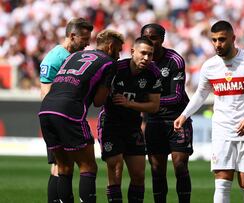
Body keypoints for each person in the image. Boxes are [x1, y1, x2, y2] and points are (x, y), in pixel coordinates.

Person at [174, 20, 244, 203]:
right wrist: (184, 114)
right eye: (214, 40)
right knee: (222, 180)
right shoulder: (210, 66)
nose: (218, 44)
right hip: (222, 128)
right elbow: (200, 94)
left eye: (222, 39)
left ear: (233, 38)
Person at [39, 29, 124, 203]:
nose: (119, 54)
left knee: (63, 167)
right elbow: (99, 101)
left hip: (46, 109)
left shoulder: (73, 56)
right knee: (88, 167)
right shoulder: (109, 62)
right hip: (69, 111)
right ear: (110, 46)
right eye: (118, 50)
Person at [98, 36, 161, 203]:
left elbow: (154, 106)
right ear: (133, 52)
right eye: (143, 53)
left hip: (133, 126)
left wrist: (129, 103)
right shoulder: (116, 68)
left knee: (139, 175)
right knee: (116, 168)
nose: (147, 58)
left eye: (150, 54)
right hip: (110, 124)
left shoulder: (153, 73)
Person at [39, 17, 93, 203]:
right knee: (59, 166)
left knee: (62, 165)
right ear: (72, 36)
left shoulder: (74, 56)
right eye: (84, 39)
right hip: (59, 117)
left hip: (65, 115)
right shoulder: (54, 58)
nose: (87, 44)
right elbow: (46, 92)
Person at [141, 23, 193, 203]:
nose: (150, 42)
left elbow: (177, 97)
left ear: (162, 40)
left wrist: (150, 102)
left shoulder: (174, 60)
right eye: (147, 38)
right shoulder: (139, 62)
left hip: (177, 119)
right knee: (156, 169)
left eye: (154, 38)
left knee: (180, 166)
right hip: (154, 121)